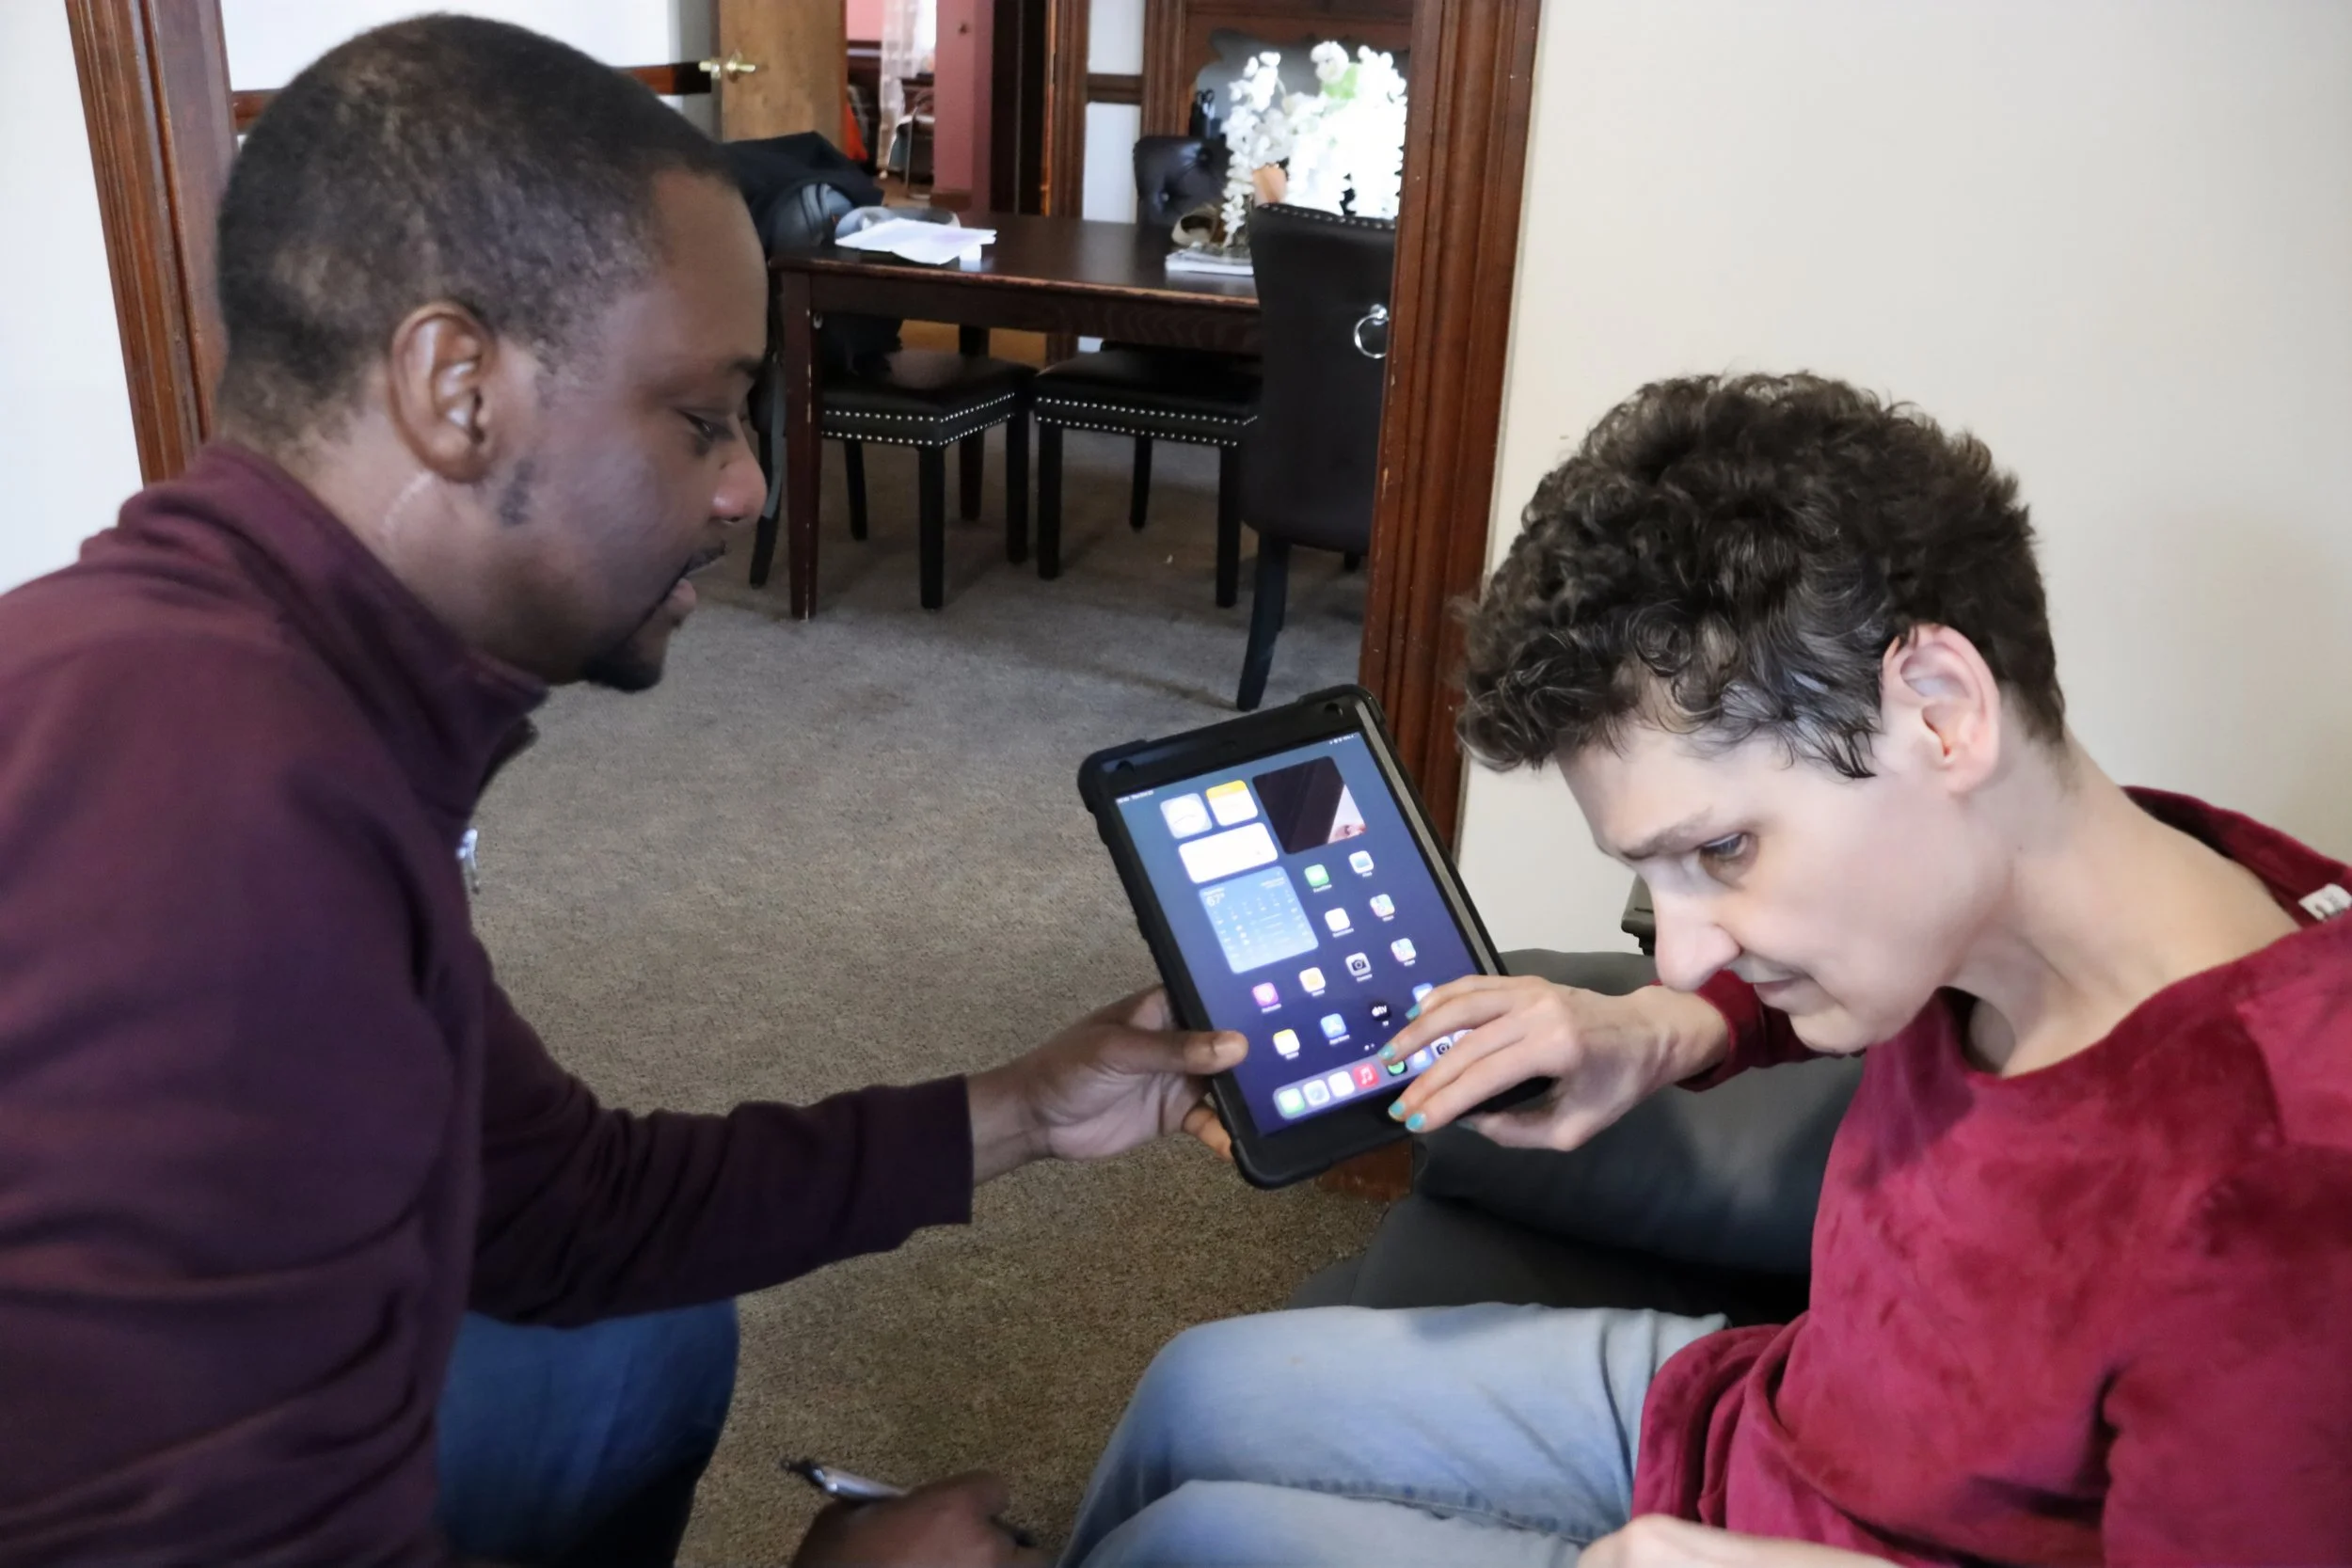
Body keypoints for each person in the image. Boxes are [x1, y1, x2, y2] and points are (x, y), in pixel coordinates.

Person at [0, 18, 1240, 1566]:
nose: (750, 488)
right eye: (703, 416)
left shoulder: (259, 695)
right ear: (457, 386)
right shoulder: (217, 839)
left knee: (635, 1334)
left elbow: (551, 1204)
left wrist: (1023, 1110)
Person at [1064, 372, 2352, 1566]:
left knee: (1189, 1545)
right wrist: (1667, 1029)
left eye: (1722, 848)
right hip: (1761, 1410)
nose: (1675, 950)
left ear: (1940, 708)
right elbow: (1799, 977)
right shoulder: (2052, 873)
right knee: (1197, 1387)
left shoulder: (2287, 1187)